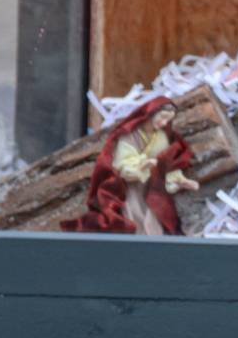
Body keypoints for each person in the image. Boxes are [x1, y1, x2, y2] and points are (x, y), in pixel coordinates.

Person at [66, 95, 202, 236]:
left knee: (154, 222)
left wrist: (180, 181)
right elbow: (123, 163)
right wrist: (142, 165)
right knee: (134, 220)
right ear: (151, 113)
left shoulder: (161, 138)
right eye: (162, 117)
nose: (164, 123)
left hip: (153, 190)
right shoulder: (130, 135)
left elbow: (165, 165)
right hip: (131, 189)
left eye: (168, 120)